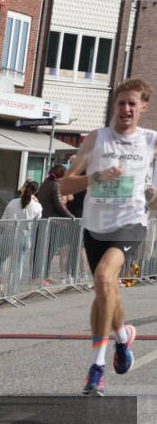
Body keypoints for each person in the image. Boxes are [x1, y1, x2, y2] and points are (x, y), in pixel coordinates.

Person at [59, 78, 157, 395]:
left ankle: (96, 367)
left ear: (143, 107)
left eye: (132, 104)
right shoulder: (96, 139)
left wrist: (153, 196)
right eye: (121, 103)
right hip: (95, 225)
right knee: (105, 290)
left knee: (104, 278)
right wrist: (97, 176)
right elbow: (65, 186)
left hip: (130, 222)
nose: (126, 109)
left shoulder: (151, 141)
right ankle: (121, 336)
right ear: (113, 106)